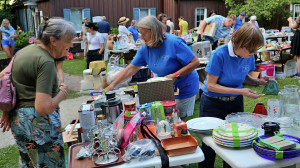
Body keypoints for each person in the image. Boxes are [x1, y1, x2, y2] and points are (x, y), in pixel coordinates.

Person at [0, 18, 76, 167]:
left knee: (30, 163)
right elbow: (43, 108)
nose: (71, 45)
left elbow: (4, 76)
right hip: (38, 124)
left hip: (20, 120)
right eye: (68, 41)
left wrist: (8, 110)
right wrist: (62, 93)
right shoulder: (45, 61)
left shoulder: (25, 51)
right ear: (53, 40)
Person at [198, 22, 271, 168]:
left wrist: (258, 82)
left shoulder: (248, 54)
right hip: (213, 103)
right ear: (240, 44)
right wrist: (240, 91)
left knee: (235, 141)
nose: (254, 53)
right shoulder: (219, 54)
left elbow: (244, 76)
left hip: (235, 103)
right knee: (209, 144)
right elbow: (211, 85)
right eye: (252, 50)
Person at [102, 16, 200, 121]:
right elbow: (130, 69)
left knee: (176, 121)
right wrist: (112, 85)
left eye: (144, 33)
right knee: (161, 118)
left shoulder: (174, 42)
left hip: (183, 87)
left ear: (154, 32)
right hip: (165, 87)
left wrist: (176, 75)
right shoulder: (146, 47)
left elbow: (195, 62)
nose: (141, 37)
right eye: (140, 33)